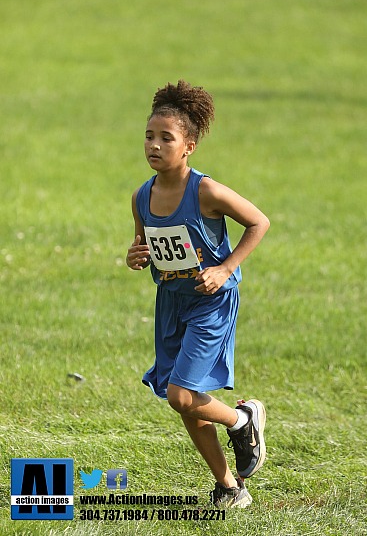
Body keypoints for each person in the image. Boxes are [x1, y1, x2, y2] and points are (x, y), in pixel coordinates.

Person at [126, 79, 270, 508]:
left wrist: (226, 268)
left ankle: (243, 419)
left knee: (181, 394)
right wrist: (138, 255)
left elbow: (258, 222)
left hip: (211, 302)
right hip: (171, 303)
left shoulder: (205, 190)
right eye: (149, 136)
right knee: (185, 403)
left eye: (165, 138)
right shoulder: (141, 196)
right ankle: (230, 487)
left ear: (188, 146)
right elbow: (149, 248)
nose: (154, 145)